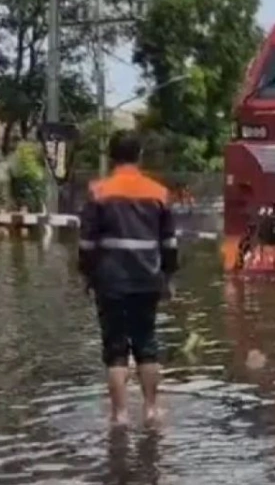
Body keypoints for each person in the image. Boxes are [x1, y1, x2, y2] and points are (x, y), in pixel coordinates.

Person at [78, 134, 179, 428]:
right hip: (148, 279)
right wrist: (168, 277)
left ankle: (119, 415)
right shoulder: (158, 193)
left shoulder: (99, 192)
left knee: (115, 349)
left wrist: (87, 275)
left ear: (112, 157)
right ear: (140, 155)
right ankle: (151, 410)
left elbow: (87, 243)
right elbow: (169, 243)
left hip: (110, 281)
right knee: (147, 343)